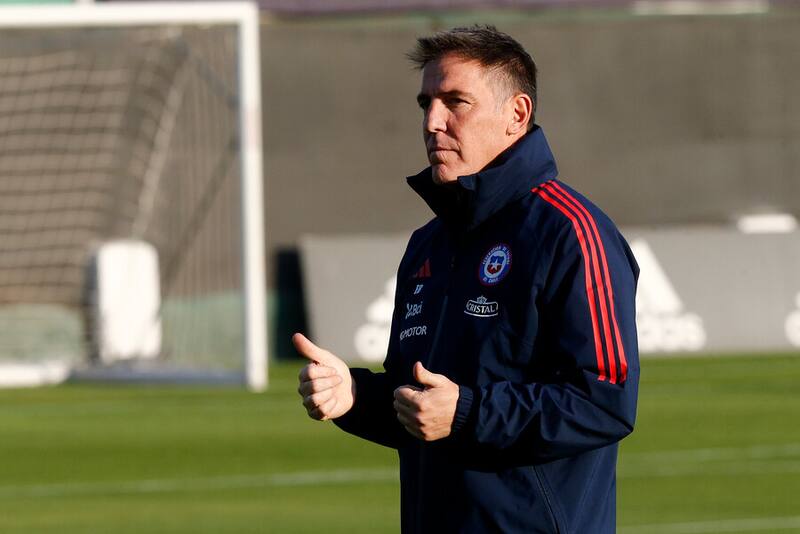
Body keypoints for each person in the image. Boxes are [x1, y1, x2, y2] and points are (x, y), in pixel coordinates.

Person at [295, 25, 639, 534]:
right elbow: (420, 406)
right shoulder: (427, 245)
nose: (434, 122)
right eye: (425, 103)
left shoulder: (572, 233)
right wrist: (355, 398)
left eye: (456, 102)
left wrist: (468, 412)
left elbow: (604, 401)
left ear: (516, 115)